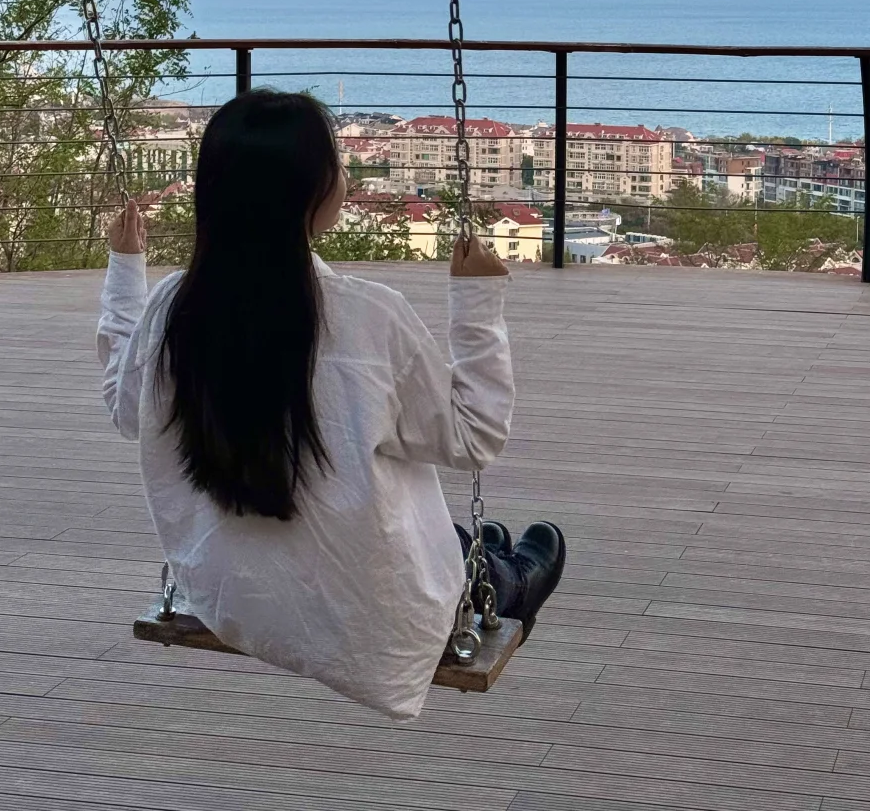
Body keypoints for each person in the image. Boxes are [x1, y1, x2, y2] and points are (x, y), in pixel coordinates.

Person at [97, 89, 565, 721]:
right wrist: (477, 307)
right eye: (338, 165)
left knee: (442, 530)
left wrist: (126, 268)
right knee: (484, 558)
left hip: (231, 590)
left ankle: (480, 549)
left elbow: (126, 406)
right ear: (316, 195)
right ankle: (505, 581)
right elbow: (473, 436)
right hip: (365, 609)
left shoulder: (172, 309)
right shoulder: (369, 318)